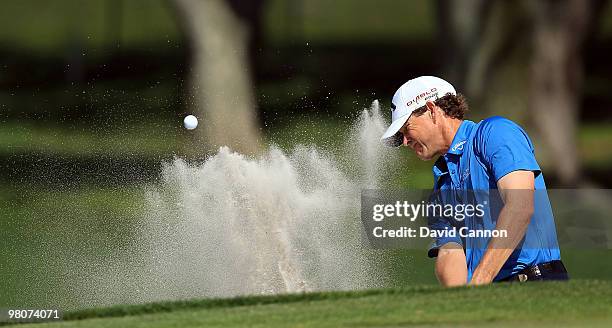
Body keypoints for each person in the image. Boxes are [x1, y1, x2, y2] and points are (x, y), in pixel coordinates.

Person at [381, 76, 569, 286]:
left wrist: (479, 283)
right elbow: (450, 253)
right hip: (487, 293)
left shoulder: (495, 133)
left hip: (535, 283)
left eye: (407, 128)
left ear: (432, 110)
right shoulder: (441, 185)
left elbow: (520, 207)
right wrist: (461, 301)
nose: (405, 141)